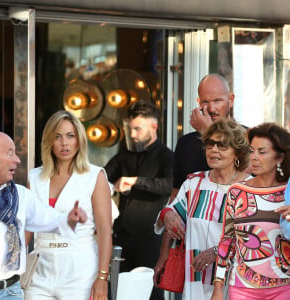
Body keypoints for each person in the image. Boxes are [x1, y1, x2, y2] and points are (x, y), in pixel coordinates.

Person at [154, 73, 237, 299]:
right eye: (204, 101)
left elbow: (251, 182)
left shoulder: (247, 138)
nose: (210, 108)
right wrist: (164, 253)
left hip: (236, 271)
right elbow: (174, 200)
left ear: (231, 99)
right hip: (193, 257)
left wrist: (207, 132)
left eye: (217, 100)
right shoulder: (186, 144)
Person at [24, 110, 112, 300]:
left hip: (80, 270)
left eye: (70, 136)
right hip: (39, 270)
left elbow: (105, 229)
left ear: (79, 140)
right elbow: (26, 229)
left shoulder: (94, 176)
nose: (64, 143)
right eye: (57, 137)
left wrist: (102, 278)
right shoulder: (34, 178)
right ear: (49, 142)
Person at [0, 131, 87, 300]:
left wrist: (69, 219)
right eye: (9, 153)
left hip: (10, 292)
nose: (17, 160)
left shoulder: (20, 195)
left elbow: (50, 220)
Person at [211, 122, 290, 300]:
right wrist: (218, 286)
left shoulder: (288, 193)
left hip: (284, 289)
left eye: (262, 152)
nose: (254, 157)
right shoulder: (236, 192)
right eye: (252, 151)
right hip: (241, 289)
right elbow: (227, 241)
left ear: (279, 157)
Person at [105, 100, 174, 300]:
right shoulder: (125, 155)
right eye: (131, 128)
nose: (133, 134)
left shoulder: (167, 157)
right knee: (117, 292)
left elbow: (169, 185)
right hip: (122, 237)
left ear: (154, 127)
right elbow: (101, 177)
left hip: (150, 239)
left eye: (138, 129)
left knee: (151, 293)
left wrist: (136, 181)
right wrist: (113, 186)